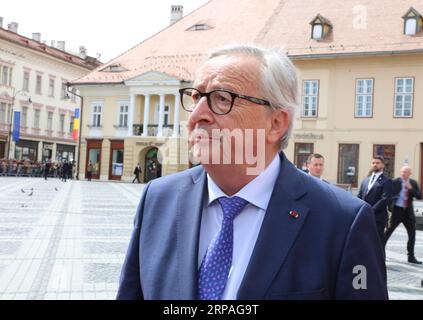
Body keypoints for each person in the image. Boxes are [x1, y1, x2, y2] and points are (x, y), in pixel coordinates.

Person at [117, 44, 387, 300]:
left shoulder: (342, 221)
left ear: (276, 123)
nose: (197, 114)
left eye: (222, 98)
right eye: (196, 97)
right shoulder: (158, 199)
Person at [384, 166, 422, 264]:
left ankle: (411, 256)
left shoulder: (413, 183)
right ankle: (380, 253)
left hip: (408, 212)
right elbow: (389, 195)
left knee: (412, 234)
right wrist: (390, 208)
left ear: (410, 173)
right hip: (397, 211)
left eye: (405, 172)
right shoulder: (395, 181)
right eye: (402, 172)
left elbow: (418, 196)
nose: (403, 174)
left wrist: (411, 189)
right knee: (387, 233)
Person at [357, 156, 393, 245]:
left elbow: (384, 199)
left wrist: (370, 210)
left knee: (378, 243)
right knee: (364, 242)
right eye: (373, 163)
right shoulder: (365, 181)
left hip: (378, 218)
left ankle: (380, 259)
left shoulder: (387, 181)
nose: (375, 165)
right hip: (364, 217)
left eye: (377, 163)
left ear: (383, 165)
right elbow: (359, 196)